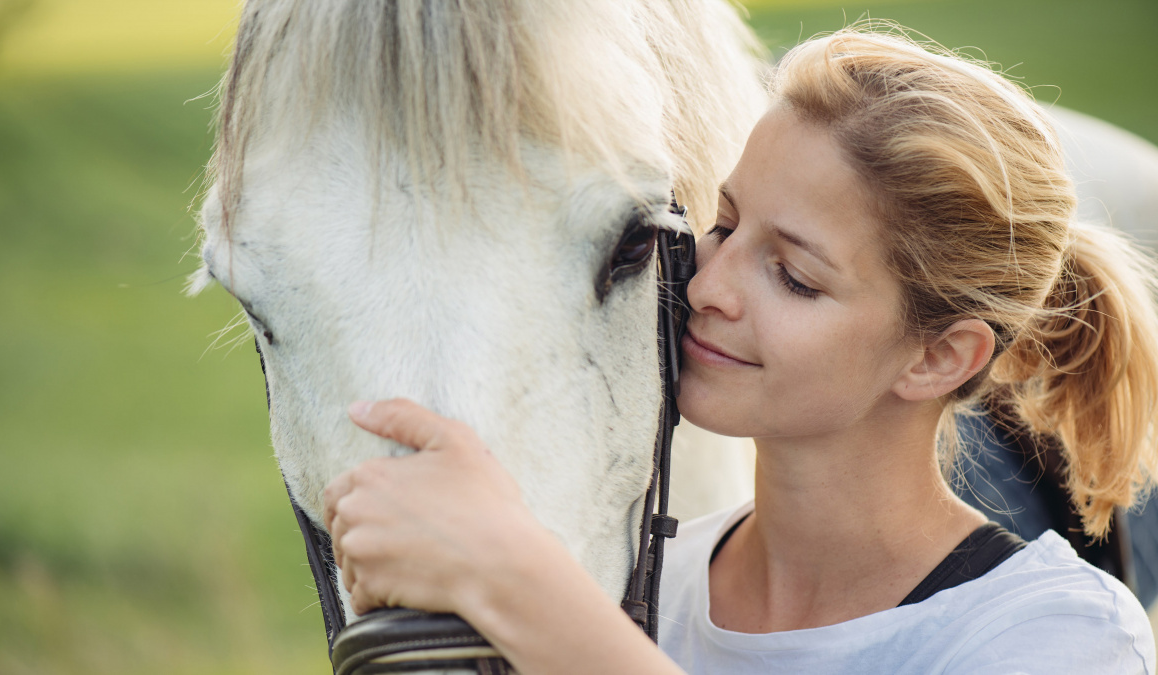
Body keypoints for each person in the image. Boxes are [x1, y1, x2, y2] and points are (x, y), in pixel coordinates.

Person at [322, 28, 1158, 673]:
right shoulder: (638, 583)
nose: (708, 286)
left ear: (938, 357)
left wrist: (514, 582)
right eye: (722, 225)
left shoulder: (1057, 634)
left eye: (793, 276)